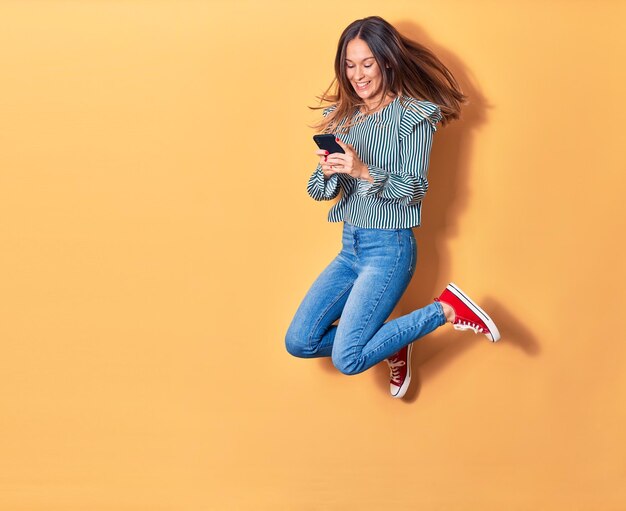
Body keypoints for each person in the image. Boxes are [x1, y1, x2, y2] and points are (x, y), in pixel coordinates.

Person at [285, 16, 500, 399]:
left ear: (386, 61)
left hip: (389, 250)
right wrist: (331, 170)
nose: (357, 75)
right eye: (350, 65)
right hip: (350, 249)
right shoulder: (345, 118)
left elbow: (414, 190)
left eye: (367, 63)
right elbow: (317, 192)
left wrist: (362, 169)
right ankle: (391, 342)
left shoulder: (412, 117)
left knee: (348, 359)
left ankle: (446, 309)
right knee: (299, 341)